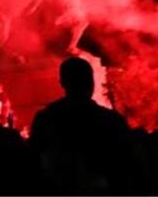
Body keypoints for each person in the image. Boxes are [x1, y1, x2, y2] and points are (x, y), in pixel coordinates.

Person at [29, 56, 133, 194]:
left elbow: (33, 165)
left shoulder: (46, 118)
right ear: (92, 82)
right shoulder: (111, 120)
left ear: (62, 83)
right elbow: (125, 168)